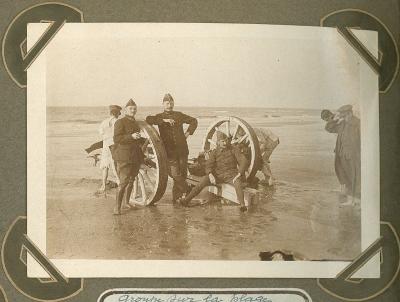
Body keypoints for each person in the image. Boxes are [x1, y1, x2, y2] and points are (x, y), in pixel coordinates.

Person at [146, 93, 198, 203]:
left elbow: (194, 121)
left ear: (173, 103)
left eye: (171, 103)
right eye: (167, 103)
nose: (169, 105)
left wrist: (188, 133)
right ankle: (188, 189)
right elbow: (148, 119)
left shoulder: (179, 115)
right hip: (169, 151)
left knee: (182, 174)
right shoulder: (159, 117)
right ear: (163, 104)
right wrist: (164, 120)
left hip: (183, 149)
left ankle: (176, 198)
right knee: (175, 174)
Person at [180, 131, 249, 211]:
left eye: (226, 140)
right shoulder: (214, 152)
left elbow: (243, 161)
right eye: (222, 141)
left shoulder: (234, 149)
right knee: (202, 182)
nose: (225, 143)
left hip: (231, 175)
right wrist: (210, 174)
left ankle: (242, 205)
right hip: (217, 175)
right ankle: (186, 200)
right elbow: (209, 165)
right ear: (218, 142)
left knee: (238, 182)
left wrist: (239, 173)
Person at [324, 104, 361, 205]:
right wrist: (335, 119)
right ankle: (350, 198)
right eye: (342, 116)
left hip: (352, 155)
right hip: (341, 155)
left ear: (350, 113)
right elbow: (329, 128)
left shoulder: (357, 124)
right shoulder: (343, 123)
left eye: (344, 116)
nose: (343, 118)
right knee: (343, 175)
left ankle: (353, 200)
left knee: (353, 176)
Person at [113, 99, 144, 215]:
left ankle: (126, 203)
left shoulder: (135, 123)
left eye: (135, 108)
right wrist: (131, 136)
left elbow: (138, 139)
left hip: (135, 156)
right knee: (123, 182)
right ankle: (117, 207)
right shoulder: (120, 122)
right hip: (124, 156)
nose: (133, 110)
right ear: (126, 109)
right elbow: (117, 139)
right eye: (131, 108)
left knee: (131, 180)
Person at [97, 105, 121, 192]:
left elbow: (101, 133)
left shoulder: (104, 122)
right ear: (118, 113)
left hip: (106, 145)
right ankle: (119, 183)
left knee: (105, 166)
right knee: (115, 165)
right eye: (119, 113)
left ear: (110, 113)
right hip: (114, 144)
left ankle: (103, 185)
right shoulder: (118, 121)